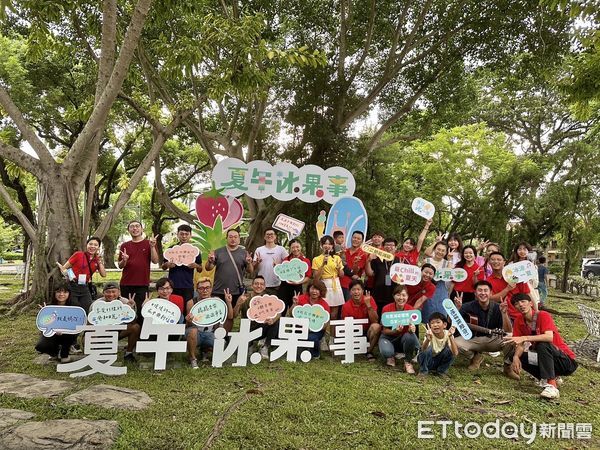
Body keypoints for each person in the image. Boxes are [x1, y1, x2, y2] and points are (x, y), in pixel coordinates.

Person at [503, 293, 577, 399]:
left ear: (531, 303)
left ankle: (552, 386)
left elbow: (549, 337)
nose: (520, 305)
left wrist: (525, 338)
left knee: (542, 345)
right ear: (515, 307)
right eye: (516, 303)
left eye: (523, 301)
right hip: (546, 358)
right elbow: (520, 344)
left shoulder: (542, 315)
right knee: (518, 356)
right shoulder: (519, 320)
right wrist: (515, 357)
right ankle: (550, 378)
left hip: (566, 361)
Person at [454, 280, 512, 371]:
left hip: (492, 339)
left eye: (486, 290)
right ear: (475, 293)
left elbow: (508, 331)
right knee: (453, 342)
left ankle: (508, 367)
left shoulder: (498, 307)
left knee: (511, 339)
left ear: (490, 293)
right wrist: (457, 309)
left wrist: (504, 314)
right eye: (480, 290)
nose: (483, 293)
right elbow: (452, 322)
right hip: (473, 339)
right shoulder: (467, 306)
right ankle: (475, 357)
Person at [205, 228, 254, 332]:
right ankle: (214, 338)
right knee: (216, 314)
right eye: (230, 237)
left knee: (230, 316)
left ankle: (225, 337)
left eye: (235, 237)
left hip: (235, 290)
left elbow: (250, 271)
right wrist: (209, 261)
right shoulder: (218, 252)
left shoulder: (244, 253)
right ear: (226, 238)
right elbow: (208, 268)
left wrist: (249, 263)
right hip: (218, 289)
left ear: (239, 239)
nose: (233, 239)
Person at [184, 277, 234, 368]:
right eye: (201, 288)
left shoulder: (216, 301)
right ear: (197, 290)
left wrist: (228, 302)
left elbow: (230, 316)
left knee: (220, 347)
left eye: (207, 288)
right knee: (192, 331)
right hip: (196, 333)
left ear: (211, 289)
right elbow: (188, 325)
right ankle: (192, 357)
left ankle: (205, 350)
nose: (205, 290)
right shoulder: (191, 303)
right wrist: (188, 320)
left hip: (211, 333)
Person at [118, 220, 159, 322]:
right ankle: (128, 332)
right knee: (127, 312)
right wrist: (124, 260)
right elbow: (120, 266)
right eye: (132, 227)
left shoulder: (149, 243)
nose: (135, 228)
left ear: (142, 229)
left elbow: (155, 260)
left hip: (142, 284)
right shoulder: (124, 245)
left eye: (137, 226)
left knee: (142, 311)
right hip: (126, 283)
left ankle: (140, 335)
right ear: (129, 230)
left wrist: (152, 247)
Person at [92, 282, 141, 363]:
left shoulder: (125, 302)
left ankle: (129, 353)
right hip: (101, 332)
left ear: (119, 292)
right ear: (103, 293)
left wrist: (130, 310)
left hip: (119, 330)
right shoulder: (96, 304)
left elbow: (133, 321)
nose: (111, 294)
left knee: (135, 327)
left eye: (113, 292)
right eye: (108, 292)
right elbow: (91, 323)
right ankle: (98, 350)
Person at [233, 276, 280, 359]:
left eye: (261, 284)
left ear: (264, 287)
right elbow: (234, 315)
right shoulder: (244, 298)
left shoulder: (267, 298)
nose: (259, 286)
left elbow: (278, 312)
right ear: (252, 285)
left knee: (276, 322)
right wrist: (238, 304)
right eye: (256, 284)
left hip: (262, 328)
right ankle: (250, 345)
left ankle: (265, 347)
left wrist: (273, 319)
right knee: (239, 353)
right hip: (247, 330)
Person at [58, 236, 106, 313]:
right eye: (90, 244)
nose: (92, 246)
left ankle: (85, 324)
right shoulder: (78, 255)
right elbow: (64, 268)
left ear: (98, 247)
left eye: (95, 245)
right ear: (87, 245)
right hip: (72, 285)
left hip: (85, 286)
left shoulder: (97, 260)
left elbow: (103, 274)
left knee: (88, 307)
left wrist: (99, 261)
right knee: (73, 307)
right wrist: (71, 276)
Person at [378, 285, 420, 372]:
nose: (401, 298)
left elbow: (412, 330)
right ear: (393, 296)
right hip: (389, 337)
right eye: (398, 295)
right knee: (387, 352)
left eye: (404, 295)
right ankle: (391, 356)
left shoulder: (410, 310)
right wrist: (395, 331)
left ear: (407, 297)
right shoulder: (386, 309)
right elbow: (384, 330)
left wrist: (411, 329)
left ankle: (407, 361)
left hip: (403, 338)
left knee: (410, 336)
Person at [35, 283, 78, 363]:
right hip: (51, 333)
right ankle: (54, 353)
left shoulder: (74, 307)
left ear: (69, 293)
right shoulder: (48, 307)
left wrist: (64, 330)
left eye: (65, 292)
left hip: (68, 335)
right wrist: (43, 313)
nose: (61, 294)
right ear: (54, 293)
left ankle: (64, 355)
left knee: (70, 335)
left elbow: (77, 323)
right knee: (40, 346)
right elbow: (42, 326)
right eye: (58, 292)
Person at [340, 280, 381, 361]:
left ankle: (369, 351)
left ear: (363, 291)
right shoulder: (346, 306)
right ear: (350, 292)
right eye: (353, 290)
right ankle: (356, 348)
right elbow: (346, 327)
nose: (356, 292)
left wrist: (368, 306)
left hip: (368, 331)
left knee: (376, 327)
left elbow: (375, 320)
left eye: (358, 289)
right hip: (354, 333)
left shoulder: (369, 299)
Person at [161, 224, 203, 303]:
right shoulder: (171, 249)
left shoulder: (194, 251)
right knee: (173, 309)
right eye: (182, 234)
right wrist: (167, 264)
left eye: (186, 234)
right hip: (172, 286)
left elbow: (200, 269)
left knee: (187, 309)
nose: (184, 236)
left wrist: (196, 265)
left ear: (190, 235)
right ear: (177, 234)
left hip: (188, 286)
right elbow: (163, 266)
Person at [289, 280, 331, 358]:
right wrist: (294, 304)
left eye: (317, 289)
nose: (314, 291)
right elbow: (291, 314)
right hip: (299, 328)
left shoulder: (324, 304)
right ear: (309, 289)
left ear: (321, 291)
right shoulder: (301, 298)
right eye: (312, 289)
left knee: (311, 338)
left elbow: (325, 323)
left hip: (316, 330)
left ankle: (316, 353)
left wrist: (312, 329)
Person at [485, 251, 530, 320]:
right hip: (502, 315)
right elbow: (490, 299)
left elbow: (527, 294)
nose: (496, 262)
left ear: (504, 262)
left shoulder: (515, 276)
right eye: (493, 259)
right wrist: (507, 289)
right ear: (489, 262)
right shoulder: (488, 281)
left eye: (499, 260)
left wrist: (535, 310)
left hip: (521, 314)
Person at [312, 235, 345, 320]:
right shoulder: (316, 259)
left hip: (335, 284)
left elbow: (342, 275)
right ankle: (322, 331)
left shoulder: (337, 258)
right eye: (325, 244)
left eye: (330, 244)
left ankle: (332, 333)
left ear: (332, 246)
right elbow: (316, 277)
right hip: (323, 285)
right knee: (323, 311)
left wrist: (338, 268)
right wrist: (323, 264)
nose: (327, 246)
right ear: (321, 245)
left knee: (334, 314)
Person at [364, 238, 400, 313]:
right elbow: (370, 273)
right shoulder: (377, 259)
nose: (389, 247)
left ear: (396, 247)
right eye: (387, 245)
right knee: (378, 314)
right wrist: (368, 261)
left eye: (392, 245)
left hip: (394, 294)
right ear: (383, 247)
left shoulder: (399, 260)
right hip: (378, 293)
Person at [417, 312, 458, 377]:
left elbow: (455, 353)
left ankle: (441, 371)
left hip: (438, 360)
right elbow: (423, 350)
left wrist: (450, 336)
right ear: (430, 326)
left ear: (444, 325)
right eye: (432, 323)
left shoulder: (448, 334)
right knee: (428, 348)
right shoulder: (429, 334)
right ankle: (423, 371)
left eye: (438, 322)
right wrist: (428, 339)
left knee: (450, 349)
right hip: (428, 360)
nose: (435, 325)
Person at [277, 239, 312, 312]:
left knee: (296, 309)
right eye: (293, 247)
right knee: (281, 308)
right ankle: (280, 322)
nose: (295, 249)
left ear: (301, 247)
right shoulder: (286, 260)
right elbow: (281, 275)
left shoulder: (306, 261)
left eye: (297, 247)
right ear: (290, 249)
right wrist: (277, 269)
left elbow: (308, 277)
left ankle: (294, 323)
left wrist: (299, 282)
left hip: (297, 287)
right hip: (284, 287)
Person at [252, 228, 289, 295]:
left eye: (271, 234)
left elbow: (288, 265)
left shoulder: (281, 249)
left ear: (275, 236)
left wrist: (279, 266)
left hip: (277, 284)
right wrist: (257, 262)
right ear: (264, 237)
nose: (269, 236)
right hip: (261, 285)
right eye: (267, 234)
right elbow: (253, 268)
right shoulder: (259, 250)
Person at [339, 231, 368, 301]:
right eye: (354, 237)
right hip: (338, 284)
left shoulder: (363, 254)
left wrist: (356, 264)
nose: (356, 240)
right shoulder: (344, 251)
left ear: (362, 241)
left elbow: (355, 273)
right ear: (351, 238)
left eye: (358, 239)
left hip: (352, 287)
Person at [509, 241, 540, 306]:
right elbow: (510, 280)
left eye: (525, 249)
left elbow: (535, 284)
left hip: (530, 294)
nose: (522, 251)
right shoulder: (511, 265)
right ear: (516, 251)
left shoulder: (533, 266)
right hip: (516, 294)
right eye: (520, 249)